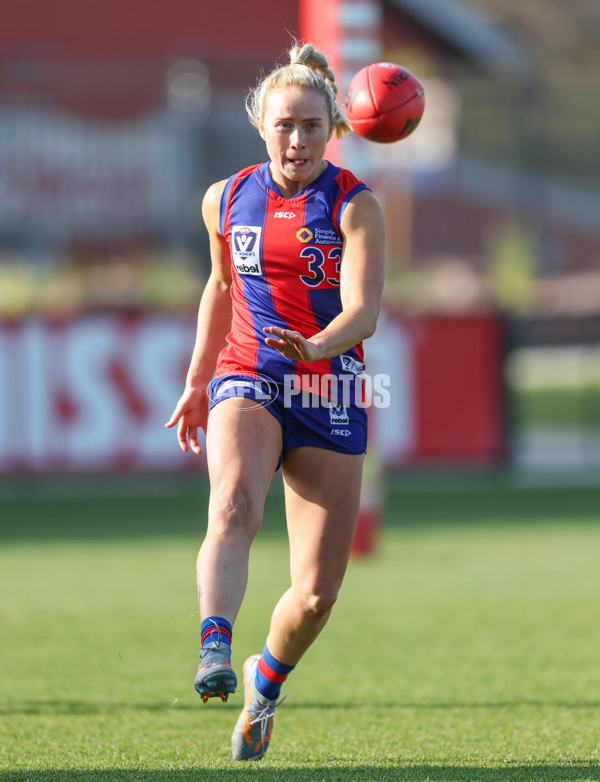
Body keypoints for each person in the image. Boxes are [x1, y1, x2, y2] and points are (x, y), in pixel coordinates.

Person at [165, 41, 385, 762]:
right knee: (232, 501)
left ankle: (265, 684)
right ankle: (214, 647)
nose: (297, 139)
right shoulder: (225, 198)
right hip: (250, 374)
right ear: (262, 123)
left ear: (333, 131)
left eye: (312, 127)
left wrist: (319, 348)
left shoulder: (356, 207)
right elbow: (223, 288)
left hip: (328, 384)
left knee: (317, 595)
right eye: (285, 124)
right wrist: (199, 380)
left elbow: (364, 311)